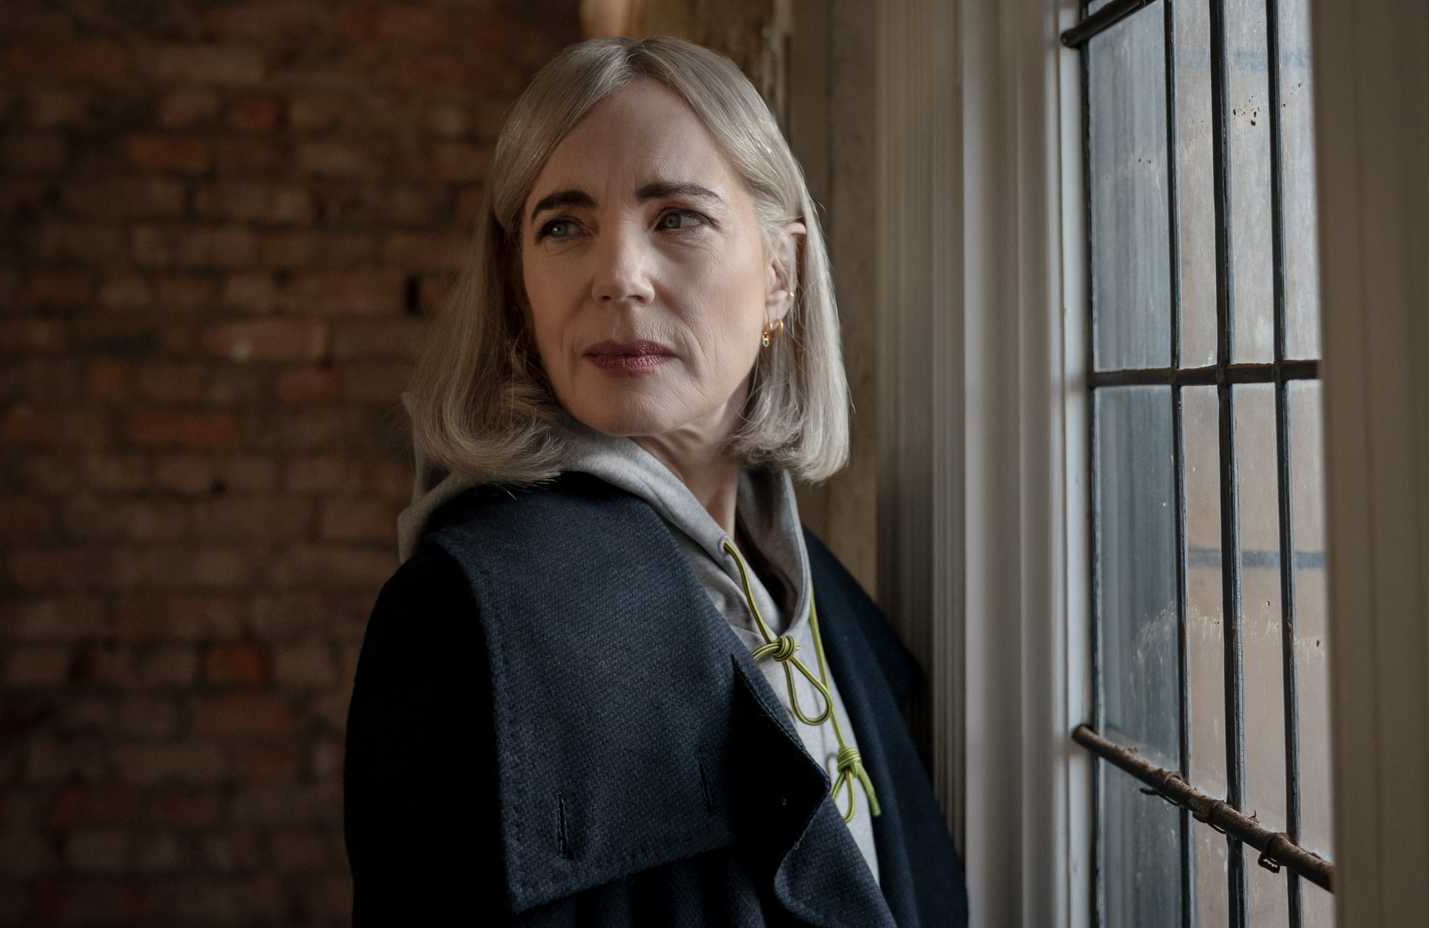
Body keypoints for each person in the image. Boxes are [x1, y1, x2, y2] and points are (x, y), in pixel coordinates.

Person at [344, 35, 967, 927]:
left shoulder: (837, 609)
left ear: (781, 276)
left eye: (676, 217)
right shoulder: (460, 616)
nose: (618, 277)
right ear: (518, 289)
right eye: (562, 226)